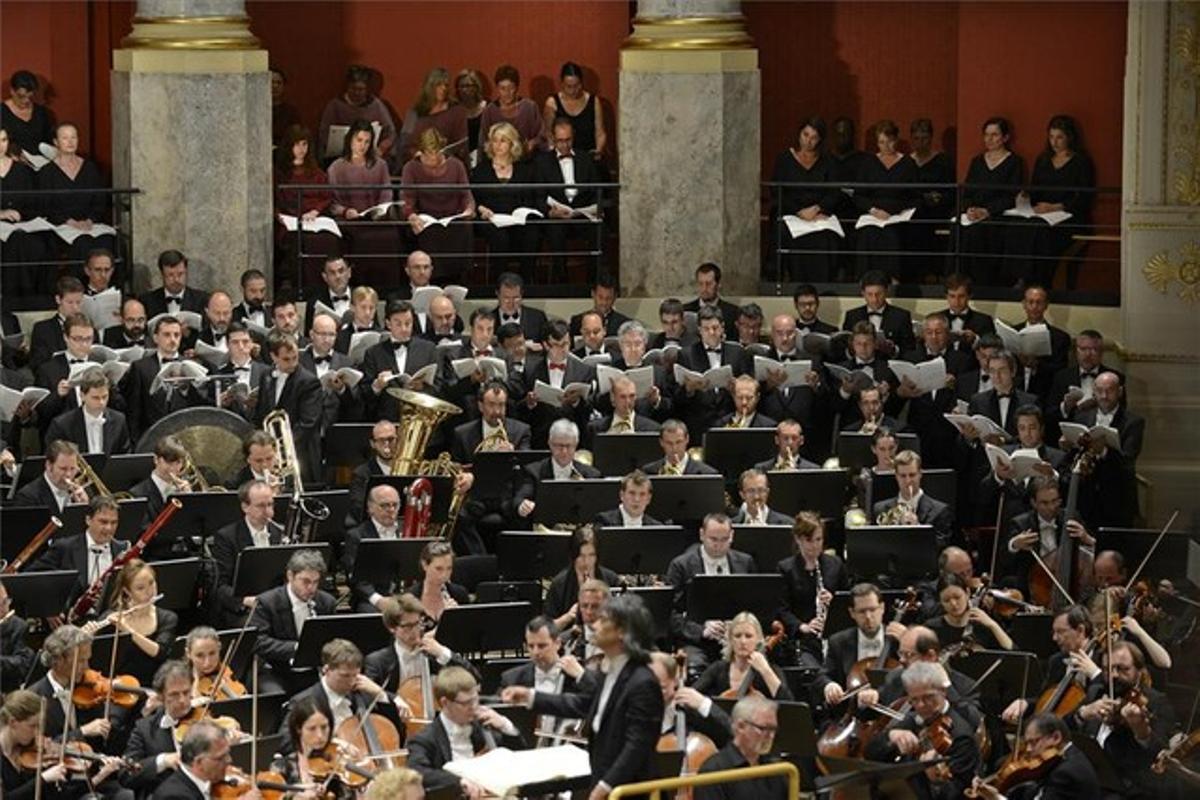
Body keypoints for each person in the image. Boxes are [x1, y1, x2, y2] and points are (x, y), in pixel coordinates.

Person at [500, 593, 664, 798]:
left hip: (629, 791)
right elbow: (583, 704)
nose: (594, 625)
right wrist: (531, 696)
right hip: (604, 779)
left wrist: (604, 787)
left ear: (621, 632)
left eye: (603, 620)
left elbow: (636, 746)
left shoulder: (643, 682)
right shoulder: (610, 671)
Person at [1074, 640, 1176, 799]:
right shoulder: (1095, 692)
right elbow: (1065, 729)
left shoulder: (1156, 702)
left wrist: (1142, 732)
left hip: (1127, 790)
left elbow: (1162, 755)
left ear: (1140, 671)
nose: (1114, 675)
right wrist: (1083, 713)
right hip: (1086, 780)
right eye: (1108, 669)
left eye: (1123, 669)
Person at [863, 661, 981, 798]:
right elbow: (869, 753)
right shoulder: (912, 719)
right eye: (914, 699)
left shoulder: (961, 737)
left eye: (928, 697)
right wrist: (891, 735)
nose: (921, 705)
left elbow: (957, 795)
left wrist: (935, 781)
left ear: (943, 691)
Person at [406, 666, 526, 796]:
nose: (474, 707)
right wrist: (459, 782)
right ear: (445, 703)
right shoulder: (425, 738)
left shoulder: (483, 727)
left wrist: (505, 725)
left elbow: (520, 759)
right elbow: (417, 771)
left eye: (475, 699)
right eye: (466, 703)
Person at [1007, 115, 1096, 288]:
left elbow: (1084, 198)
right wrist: (1025, 198)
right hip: (1043, 212)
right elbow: (1035, 189)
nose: (1054, 142)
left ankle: (1039, 283)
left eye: (1059, 137)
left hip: (1069, 215)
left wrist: (1055, 207)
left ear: (1069, 137)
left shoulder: (1081, 162)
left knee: (1042, 232)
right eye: (1051, 137)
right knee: (1017, 225)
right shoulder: (1044, 160)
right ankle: (1019, 279)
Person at [667, 514, 758, 675]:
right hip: (697, 642)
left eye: (724, 539)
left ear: (732, 536)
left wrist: (738, 625)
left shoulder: (745, 562)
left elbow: (754, 606)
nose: (718, 545)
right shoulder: (681, 565)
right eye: (713, 539)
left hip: (737, 639)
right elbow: (670, 613)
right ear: (702, 535)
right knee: (695, 669)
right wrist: (702, 629)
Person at [2, 688, 130, 800]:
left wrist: (100, 775)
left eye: (40, 726)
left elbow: (63, 796)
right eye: (33, 726)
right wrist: (43, 779)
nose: (38, 733)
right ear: (13, 722)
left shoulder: (35, 750)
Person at [364, 594, 473, 715]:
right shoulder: (377, 662)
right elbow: (365, 696)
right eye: (408, 626)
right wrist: (393, 698)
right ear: (392, 628)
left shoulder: (434, 654)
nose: (415, 631)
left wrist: (442, 653)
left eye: (418, 624)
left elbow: (474, 679)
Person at [249, 549, 338, 695]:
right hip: (276, 671)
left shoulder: (327, 602)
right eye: (306, 582)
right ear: (290, 576)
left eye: (316, 582)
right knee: (275, 695)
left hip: (313, 671)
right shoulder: (267, 602)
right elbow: (258, 642)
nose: (312, 588)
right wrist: (297, 648)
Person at [279, 639, 390, 751]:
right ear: (326, 670)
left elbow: (391, 729)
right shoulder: (303, 701)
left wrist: (380, 694)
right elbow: (286, 743)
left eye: (355, 675)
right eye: (345, 676)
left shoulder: (362, 693)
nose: (352, 681)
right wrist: (331, 743)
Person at [770, 115, 843, 282]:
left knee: (826, 236)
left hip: (818, 213)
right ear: (799, 134)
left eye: (814, 137)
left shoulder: (828, 161)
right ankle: (790, 280)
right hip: (792, 212)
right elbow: (777, 191)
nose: (808, 141)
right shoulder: (785, 159)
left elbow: (834, 192)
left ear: (820, 140)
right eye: (805, 135)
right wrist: (799, 212)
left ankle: (823, 284)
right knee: (785, 233)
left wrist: (817, 208)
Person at [968, 712, 1099, 800]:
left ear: (1056, 737)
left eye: (1033, 742)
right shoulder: (1060, 760)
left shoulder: (1068, 771)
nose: (1029, 749)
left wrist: (996, 798)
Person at [33, 494, 130, 612]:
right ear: (88, 520)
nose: (109, 528)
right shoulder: (64, 547)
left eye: (114, 523)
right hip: (71, 619)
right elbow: (34, 577)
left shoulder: (123, 549)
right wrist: (49, 609)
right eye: (103, 522)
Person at [815, 583, 906, 709]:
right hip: (851, 711)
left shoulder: (899, 640)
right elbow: (822, 676)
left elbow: (919, 674)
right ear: (852, 613)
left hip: (891, 713)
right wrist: (829, 685)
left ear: (882, 608)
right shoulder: (838, 641)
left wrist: (908, 643)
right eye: (862, 612)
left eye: (873, 610)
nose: (868, 617)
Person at [87, 559, 178, 686]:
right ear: (127, 591)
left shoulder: (167, 618)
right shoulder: (112, 617)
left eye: (152, 583)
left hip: (152, 687)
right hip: (117, 688)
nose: (149, 591)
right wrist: (88, 635)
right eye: (140, 588)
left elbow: (160, 652)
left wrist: (127, 630)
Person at [327, 119, 395, 285]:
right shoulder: (336, 168)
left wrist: (381, 210)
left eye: (367, 141)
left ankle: (386, 285)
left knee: (391, 237)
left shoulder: (380, 165)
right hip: (348, 220)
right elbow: (332, 202)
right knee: (361, 239)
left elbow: (386, 192)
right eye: (359, 140)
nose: (362, 146)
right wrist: (345, 211)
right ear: (350, 139)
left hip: (374, 219)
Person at [401, 127, 474, 279]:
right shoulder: (411, 168)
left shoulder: (456, 165)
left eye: (437, 152)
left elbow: (466, 195)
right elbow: (407, 200)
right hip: (426, 219)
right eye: (429, 153)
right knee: (426, 233)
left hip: (452, 219)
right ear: (421, 151)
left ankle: (459, 279)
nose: (434, 157)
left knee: (465, 229)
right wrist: (412, 215)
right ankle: (432, 280)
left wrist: (468, 209)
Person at [959, 117, 1024, 286]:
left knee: (979, 232)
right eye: (986, 135)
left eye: (995, 135)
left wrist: (987, 211)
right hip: (975, 213)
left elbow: (1011, 196)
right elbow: (968, 190)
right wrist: (970, 208)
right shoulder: (977, 161)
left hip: (999, 213)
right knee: (958, 227)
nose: (989, 139)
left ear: (1005, 138)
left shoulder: (1014, 162)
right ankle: (960, 281)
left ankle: (983, 283)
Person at [37, 122, 116, 261]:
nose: (70, 142)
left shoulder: (90, 168)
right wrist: (70, 222)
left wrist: (90, 220)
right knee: (82, 243)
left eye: (74, 137)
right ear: (56, 142)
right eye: (65, 138)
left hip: (91, 224)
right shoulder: (46, 172)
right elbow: (46, 206)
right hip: (63, 226)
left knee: (109, 241)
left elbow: (99, 199)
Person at [775, 512, 846, 666]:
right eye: (808, 540)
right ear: (797, 539)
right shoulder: (786, 568)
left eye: (819, 539)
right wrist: (803, 626)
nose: (815, 545)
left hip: (833, 637)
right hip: (803, 641)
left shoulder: (835, 564)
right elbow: (782, 609)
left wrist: (834, 599)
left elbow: (848, 598)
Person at [211, 479, 285, 626]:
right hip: (243, 607)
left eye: (270, 504)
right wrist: (246, 600)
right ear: (245, 507)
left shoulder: (281, 533)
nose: (268, 512)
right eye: (261, 506)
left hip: (275, 603)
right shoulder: (226, 537)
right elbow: (219, 586)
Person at [536, 117, 601, 280]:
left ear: (574, 137)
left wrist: (592, 210)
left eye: (568, 140)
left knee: (599, 232)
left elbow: (595, 189)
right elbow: (538, 196)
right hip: (557, 216)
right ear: (553, 138)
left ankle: (592, 283)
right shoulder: (542, 162)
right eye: (560, 141)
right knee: (555, 233)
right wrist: (550, 213)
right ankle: (562, 285)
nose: (564, 145)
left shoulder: (585, 158)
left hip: (582, 215)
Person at [851, 120, 918, 279]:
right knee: (867, 233)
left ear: (896, 140)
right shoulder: (868, 163)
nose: (885, 146)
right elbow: (859, 195)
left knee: (892, 234)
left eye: (889, 142)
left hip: (898, 215)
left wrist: (894, 211)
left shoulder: (908, 164)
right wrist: (874, 210)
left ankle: (894, 279)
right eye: (881, 142)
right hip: (873, 215)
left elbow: (915, 196)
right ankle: (866, 279)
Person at [472, 121, 539, 277]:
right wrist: (481, 209)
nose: (498, 145)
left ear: (512, 144)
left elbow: (530, 198)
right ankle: (500, 283)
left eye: (503, 140)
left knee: (532, 233)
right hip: (490, 219)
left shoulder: (524, 170)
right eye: (494, 140)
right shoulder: (481, 170)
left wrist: (522, 212)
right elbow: (473, 198)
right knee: (499, 237)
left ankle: (526, 282)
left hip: (516, 219)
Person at [274, 124, 338, 289]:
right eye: (297, 145)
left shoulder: (316, 173)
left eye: (305, 144)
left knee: (328, 240)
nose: (301, 149)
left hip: (314, 220)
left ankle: (326, 286)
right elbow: (273, 201)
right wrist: (279, 216)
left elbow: (326, 197)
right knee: (300, 242)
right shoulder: (278, 173)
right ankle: (303, 288)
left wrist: (315, 211)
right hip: (290, 222)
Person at [674, 307, 750, 441]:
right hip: (698, 426)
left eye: (715, 328)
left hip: (731, 423)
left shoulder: (737, 353)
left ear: (722, 327)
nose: (711, 332)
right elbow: (676, 398)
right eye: (706, 328)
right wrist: (689, 389)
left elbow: (750, 387)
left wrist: (736, 390)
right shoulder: (686, 354)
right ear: (699, 330)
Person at [361, 299, 441, 423]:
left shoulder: (429, 349)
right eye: (398, 324)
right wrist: (377, 386)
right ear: (388, 323)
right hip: (388, 423)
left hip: (421, 420)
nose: (404, 329)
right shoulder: (373, 353)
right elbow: (365, 395)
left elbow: (439, 386)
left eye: (408, 323)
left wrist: (422, 387)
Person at [695, 696, 788, 800]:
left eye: (773, 729)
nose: (771, 736)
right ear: (741, 727)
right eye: (763, 729)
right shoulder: (713, 771)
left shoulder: (777, 769)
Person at [124, 660, 194, 796]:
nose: (182, 700)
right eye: (174, 694)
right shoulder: (144, 729)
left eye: (186, 692)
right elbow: (126, 775)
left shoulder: (206, 719)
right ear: (161, 697)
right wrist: (162, 761)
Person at [515, 420, 602, 523]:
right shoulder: (533, 471)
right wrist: (522, 505)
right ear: (550, 444)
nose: (564, 451)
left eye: (568, 446)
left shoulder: (592, 475)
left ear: (576, 445)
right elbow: (520, 497)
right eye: (559, 446)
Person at [693, 612, 792, 700]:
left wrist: (765, 671)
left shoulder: (771, 670)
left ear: (758, 639)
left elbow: (789, 706)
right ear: (730, 639)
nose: (743, 641)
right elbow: (692, 696)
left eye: (748, 636)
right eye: (737, 636)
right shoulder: (718, 669)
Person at [270, 698, 354, 800]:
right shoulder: (281, 767)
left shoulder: (339, 764)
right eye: (312, 729)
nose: (320, 735)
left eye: (324, 727)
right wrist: (293, 796)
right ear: (298, 729)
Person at [871, 449, 956, 547]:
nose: (908, 481)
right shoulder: (880, 509)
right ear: (896, 476)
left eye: (912, 475)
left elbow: (942, 546)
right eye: (903, 476)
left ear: (920, 474)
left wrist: (918, 528)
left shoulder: (939, 510)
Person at [543, 526, 622, 628]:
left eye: (591, 555)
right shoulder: (559, 584)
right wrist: (568, 617)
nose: (586, 562)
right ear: (574, 555)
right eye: (581, 556)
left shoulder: (611, 578)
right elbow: (546, 629)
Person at [318, 64, 396, 166]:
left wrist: (381, 148)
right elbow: (323, 132)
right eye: (353, 89)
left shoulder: (376, 105)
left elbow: (390, 132)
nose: (357, 93)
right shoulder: (335, 105)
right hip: (340, 157)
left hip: (369, 157)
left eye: (361, 89)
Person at [906, 118, 955, 276]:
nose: (921, 142)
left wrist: (938, 197)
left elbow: (951, 191)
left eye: (925, 138)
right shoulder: (907, 162)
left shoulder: (943, 161)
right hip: (913, 207)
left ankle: (930, 271)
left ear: (931, 138)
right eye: (917, 138)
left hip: (937, 208)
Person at [343, 484, 403, 612]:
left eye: (395, 505)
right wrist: (378, 600)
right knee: (368, 613)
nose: (391, 509)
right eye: (384, 505)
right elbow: (355, 578)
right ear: (370, 508)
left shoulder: (407, 530)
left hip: (405, 594)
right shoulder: (356, 536)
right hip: (372, 597)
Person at [0, 124, 48, 283]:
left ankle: (32, 298)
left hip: (21, 225)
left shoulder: (21, 170)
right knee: (16, 243)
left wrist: (21, 214)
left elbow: (33, 203)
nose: (1, 145)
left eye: (3, 140)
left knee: (37, 243)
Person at [152, 719, 246, 799]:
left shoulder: (208, 781)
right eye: (221, 758)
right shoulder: (172, 796)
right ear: (199, 762)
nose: (229, 760)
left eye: (228, 753)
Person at [45, 371, 131, 456]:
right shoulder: (62, 425)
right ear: (82, 396)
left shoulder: (119, 420)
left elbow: (124, 456)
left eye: (104, 397)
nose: (101, 402)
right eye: (95, 398)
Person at [925, 572, 1013, 653]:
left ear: (967, 593)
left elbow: (1013, 653)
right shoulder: (931, 628)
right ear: (940, 602)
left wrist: (992, 625)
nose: (953, 604)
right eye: (946, 600)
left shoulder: (983, 624)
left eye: (957, 597)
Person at [401, 67, 468, 164]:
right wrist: (417, 154)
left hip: (448, 163)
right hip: (419, 162)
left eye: (446, 85)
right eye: (439, 85)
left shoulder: (456, 111)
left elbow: (462, 141)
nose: (443, 89)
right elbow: (405, 141)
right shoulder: (415, 112)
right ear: (430, 87)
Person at [544, 62, 607, 164]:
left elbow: (600, 132)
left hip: (588, 157)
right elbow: (548, 134)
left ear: (582, 83)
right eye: (569, 86)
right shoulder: (552, 102)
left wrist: (599, 150)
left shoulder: (593, 101)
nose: (573, 91)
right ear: (562, 84)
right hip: (563, 157)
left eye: (577, 86)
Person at [478, 64, 545, 161]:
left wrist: (532, 143)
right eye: (503, 88)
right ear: (497, 88)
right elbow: (483, 142)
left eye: (511, 88)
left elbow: (542, 136)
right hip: (498, 163)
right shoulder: (490, 111)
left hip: (526, 161)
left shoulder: (529, 107)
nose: (507, 93)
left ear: (517, 87)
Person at [842, 270, 916, 356]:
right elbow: (846, 346)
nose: (874, 299)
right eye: (870, 294)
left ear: (886, 291)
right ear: (863, 293)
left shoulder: (901, 316)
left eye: (879, 294)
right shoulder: (852, 316)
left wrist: (893, 350)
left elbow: (910, 349)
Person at [406, 540, 469, 629]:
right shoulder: (410, 597)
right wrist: (446, 620)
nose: (444, 575)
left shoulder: (459, 594)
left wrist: (457, 618)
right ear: (425, 565)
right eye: (438, 569)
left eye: (449, 568)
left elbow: (467, 632)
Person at [13, 438, 88, 510]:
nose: (68, 474)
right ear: (49, 465)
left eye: (72, 468)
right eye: (63, 469)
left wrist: (84, 508)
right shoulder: (28, 497)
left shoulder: (81, 493)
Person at [933, 273, 996, 352]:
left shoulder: (984, 321)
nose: (956, 302)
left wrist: (975, 339)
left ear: (969, 296)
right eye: (952, 296)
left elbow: (993, 350)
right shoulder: (935, 320)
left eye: (961, 296)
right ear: (946, 296)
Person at [2, 71, 54, 157]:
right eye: (21, 96)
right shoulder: (2, 113)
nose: (26, 101)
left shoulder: (41, 112)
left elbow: (49, 140)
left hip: (41, 164)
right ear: (12, 91)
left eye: (30, 97)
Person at [489, 271, 548, 347]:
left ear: (522, 294)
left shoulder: (537, 318)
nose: (511, 303)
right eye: (506, 298)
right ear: (497, 294)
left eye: (515, 298)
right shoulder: (488, 320)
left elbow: (547, 346)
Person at [683, 263, 740, 335]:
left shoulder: (733, 313)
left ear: (718, 284)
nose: (704, 288)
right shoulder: (686, 311)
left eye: (709, 283)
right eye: (701, 283)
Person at [593, 469, 662, 528]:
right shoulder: (604, 522)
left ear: (648, 499)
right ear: (622, 495)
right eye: (632, 493)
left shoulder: (656, 526)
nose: (636, 499)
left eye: (642, 494)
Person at [0, 579, 35, 691]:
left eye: (6, 601)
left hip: (6, 690)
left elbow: (23, 664)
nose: (6, 608)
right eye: (1, 604)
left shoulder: (18, 626)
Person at [454, 69, 488, 163]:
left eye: (468, 86)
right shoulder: (453, 110)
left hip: (484, 156)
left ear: (477, 87)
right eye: (461, 86)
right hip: (460, 157)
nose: (464, 90)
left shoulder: (488, 108)